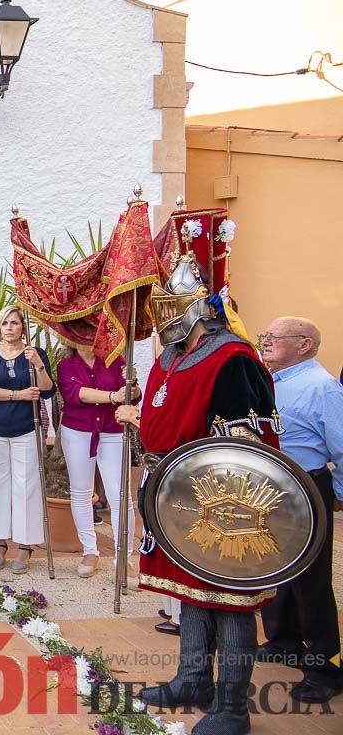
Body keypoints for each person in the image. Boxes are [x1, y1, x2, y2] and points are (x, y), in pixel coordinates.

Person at [116, 251, 280, 734]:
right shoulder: (170, 357)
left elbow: (247, 443)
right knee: (192, 593)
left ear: (196, 307)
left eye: (171, 305)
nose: (163, 315)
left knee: (229, 599)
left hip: (219, 501)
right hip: (171, 494)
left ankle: (232, 706)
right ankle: (192, 680)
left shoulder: (235, 359)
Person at [254, 317, 343, 702]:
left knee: (311, 576)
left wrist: (338, 493)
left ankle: (323, 665)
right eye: (267, 336)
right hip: (272, 485)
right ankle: (284, 639)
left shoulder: (322, 387)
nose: (267, 341)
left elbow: (340, 445)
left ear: (305, 344)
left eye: (276, 337)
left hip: (306, 486)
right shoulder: (273, 379)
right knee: (279, 567)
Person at [0, 304, 54, 574]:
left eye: (14, 323)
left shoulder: (35, 354)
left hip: (25, 429)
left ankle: (24, 545)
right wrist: (18, 395)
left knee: (26, 486)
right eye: (5, 323)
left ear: (23, 327)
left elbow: (46, 391)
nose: (9, 328)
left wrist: (38, 364)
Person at [57, 346, 138, 579]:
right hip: (78, 432)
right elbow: (76, 393)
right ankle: (90, 551)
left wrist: (131, 386)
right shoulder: (66, 365)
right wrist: (113, 396)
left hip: (112, 431)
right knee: (81, 492)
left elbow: (132, 394)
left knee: (120, 495)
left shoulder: (115, 360)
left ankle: (125, 556)